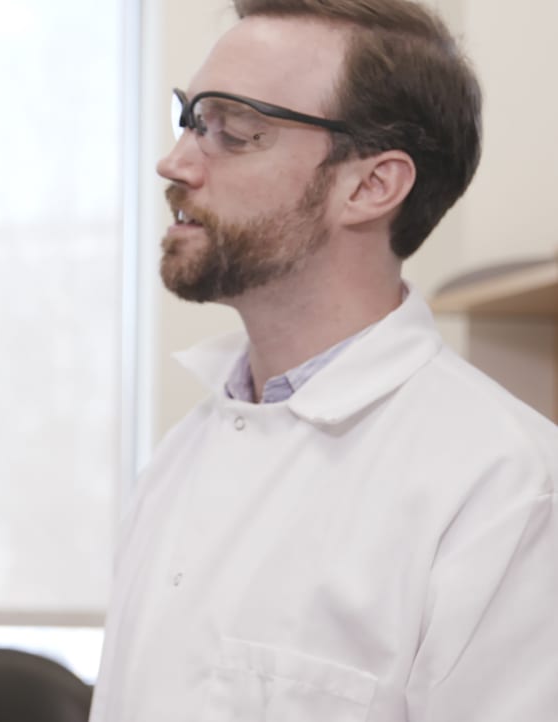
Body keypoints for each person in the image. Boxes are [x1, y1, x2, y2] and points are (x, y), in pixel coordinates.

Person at [91, 1, 558, 720]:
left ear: (371, 186)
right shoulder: (184, 453)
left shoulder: (507, 489)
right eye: (188, 119)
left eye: (233, 132)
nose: (175, 162)